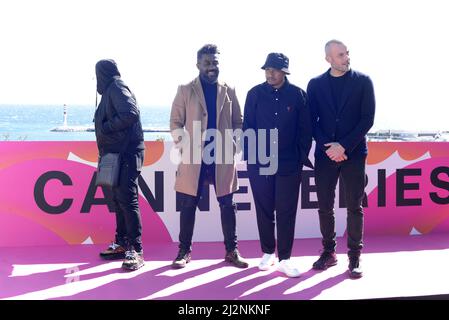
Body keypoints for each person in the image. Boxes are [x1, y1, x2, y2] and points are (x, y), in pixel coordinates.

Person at [169, 44, 248, 269]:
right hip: (194, 158)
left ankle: (231, 251)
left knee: (227, 205)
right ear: (198, 65)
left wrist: (234, 144)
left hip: (222, 157)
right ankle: (183, 252)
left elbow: (238, 122)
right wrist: (185, 147)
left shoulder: (229, 89)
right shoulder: (185, 89)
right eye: (207, 63)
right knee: (188, 205)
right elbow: (175, 122)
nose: (212, 67)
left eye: (215, 63)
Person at [307, 40, 375, 278]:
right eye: (340, 54)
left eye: (347, 53)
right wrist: (330, 147)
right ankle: (329, 252)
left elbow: (367, 119)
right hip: (326, 155)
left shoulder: (363, 82)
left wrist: (343, 146)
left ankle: (355, 257)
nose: (346, 57)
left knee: (355, 206)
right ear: (329, 59)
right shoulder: (315, 84)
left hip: (354, 153)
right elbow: (311, 120)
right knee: (325, 206)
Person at [242, 53, 313, 278]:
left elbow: (305, 132)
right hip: (260, 163)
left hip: (289, 163)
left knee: (286, 211)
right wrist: (252, 161)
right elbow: (248, 128)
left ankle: (284, 258)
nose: (270, 74)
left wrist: (299, 158)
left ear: (284, 72)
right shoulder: (254, 94)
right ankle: (267, 252)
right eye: (267, 69)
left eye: (274, 70)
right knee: (264, 209)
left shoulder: (298, 95)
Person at [94, 59, 146, 271]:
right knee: (119, 199)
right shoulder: (110, 90)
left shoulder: (116, 86)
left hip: (126, 153)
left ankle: (135, 249)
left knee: (127, 198)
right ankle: (122, 243)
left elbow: (131, 113)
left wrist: (106, 127)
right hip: (116, 154)